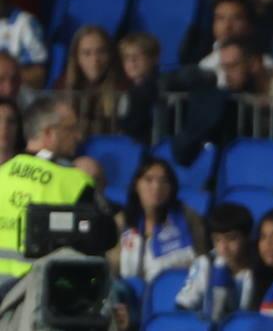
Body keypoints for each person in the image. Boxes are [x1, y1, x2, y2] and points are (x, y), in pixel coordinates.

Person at [0, 98, 115, 282]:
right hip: (43, 296)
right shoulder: (74, 181)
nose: (78, 136)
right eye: (70, 129)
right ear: (48, 133)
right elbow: (108, 237)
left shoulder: (2, 173)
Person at [117, 158, 205, 284]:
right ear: (136, 185)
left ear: (171, 187)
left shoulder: (187, 216)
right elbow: (112, 267)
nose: (157, 186)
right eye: (149, 180)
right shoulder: (122, 221)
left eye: (164, 181)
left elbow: (202, 259)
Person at [176, 202, 258, 320]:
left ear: (247, 237)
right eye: (217, 240)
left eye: (231, 239)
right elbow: (184, 305)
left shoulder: (259, 268)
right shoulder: (206, 263)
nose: (223, 247)